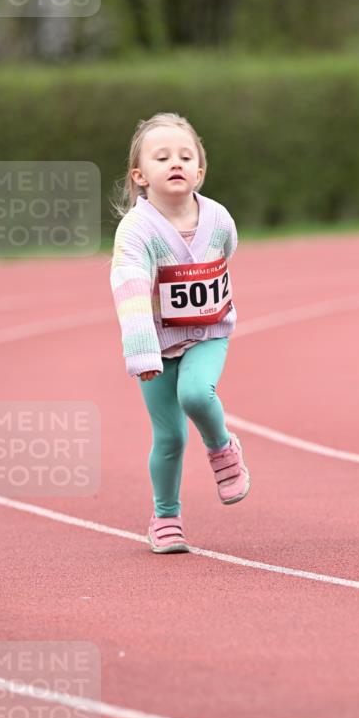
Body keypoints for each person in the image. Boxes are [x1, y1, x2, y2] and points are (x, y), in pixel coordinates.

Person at [110, 112, 250, 553]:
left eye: (186, 156)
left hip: (209, 332)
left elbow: (227, 254)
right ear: (140, 176)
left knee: (195, 394)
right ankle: (165, 517)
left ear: (200, 172)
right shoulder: (136, 231)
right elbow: (130, 286)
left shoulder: (220, 219)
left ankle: (223, 448)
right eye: (163, 156)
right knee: (169, 437)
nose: (176, 162)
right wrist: (141, 353)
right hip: (156, 346)